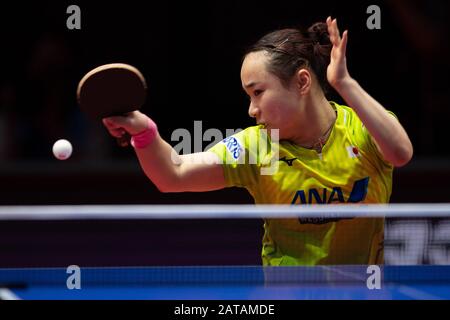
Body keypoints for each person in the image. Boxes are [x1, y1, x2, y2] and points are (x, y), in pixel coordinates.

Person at [103, 17, 413, 265]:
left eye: (258, 92)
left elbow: (400, 153)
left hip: (365, 294)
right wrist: (144, 133)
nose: (251, 110)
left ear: (302, 81)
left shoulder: (362, 127)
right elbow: (174, 174)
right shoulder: (258, 146)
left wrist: (344, 83)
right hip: (285, 296)